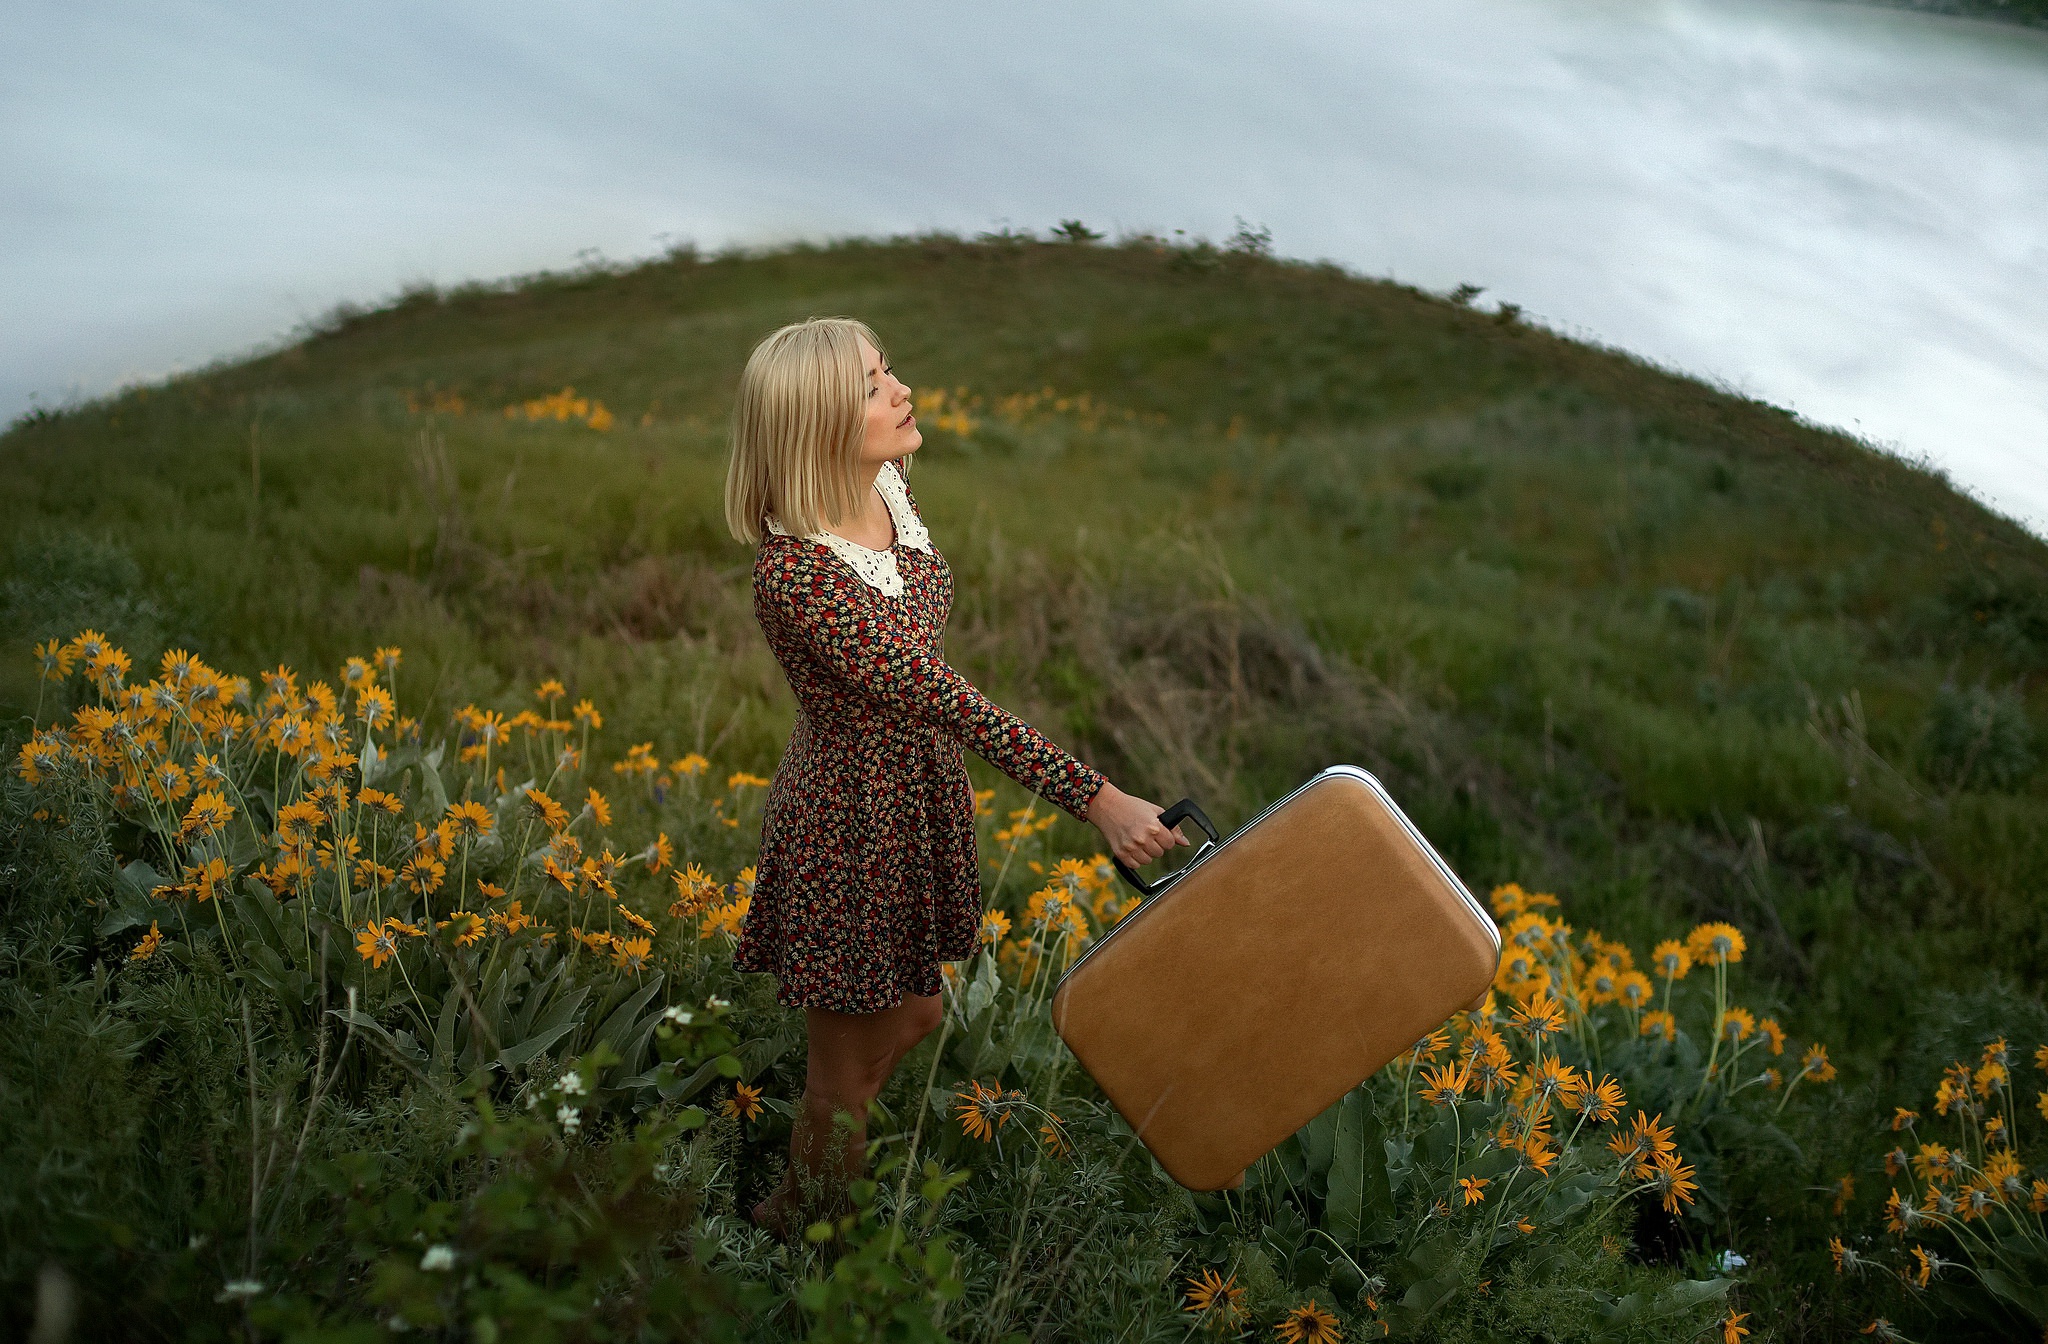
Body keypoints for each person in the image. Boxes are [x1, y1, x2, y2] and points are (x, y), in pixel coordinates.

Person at [722, 317, 1187, 1235]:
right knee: (843, 1084)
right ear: (816, 426)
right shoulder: (798, 578)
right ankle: (803, 1237)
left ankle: (814, 1190)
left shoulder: (885, 483)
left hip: (916, 801)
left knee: (918, 1016)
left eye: (887, 368)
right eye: (869, 386)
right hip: (850, 825)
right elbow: (946, 697)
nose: (900, 390)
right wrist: (1097, 799)